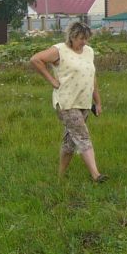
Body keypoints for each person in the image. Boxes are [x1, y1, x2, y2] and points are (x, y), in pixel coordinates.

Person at [29, 21, 106, 182]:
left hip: (83, 102)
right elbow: (36, 59)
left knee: (70, 142)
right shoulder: (59, 50)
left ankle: (60, 177)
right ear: (72, 37)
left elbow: (92, 78)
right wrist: (51, 80)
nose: (84, 42)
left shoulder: (89, 52)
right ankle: (96, 175)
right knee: (83, 136)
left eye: (86, 38)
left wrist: (97, 102)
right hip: (66, 102)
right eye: (80, 38)